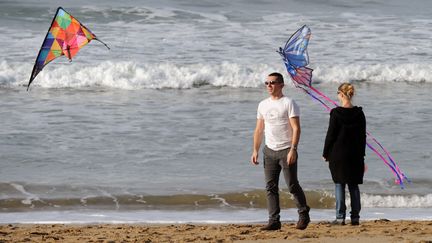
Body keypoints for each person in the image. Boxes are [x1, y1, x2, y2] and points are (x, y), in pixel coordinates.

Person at [251, 72, 310, 231]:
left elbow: (296, 128)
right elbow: (258, 130)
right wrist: (255, 150)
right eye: (267, 83)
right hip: (269, 151)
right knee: (270, 187)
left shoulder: (289, 103)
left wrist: (293, 149)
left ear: (281, 85)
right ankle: (274, 221)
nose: (269, 86)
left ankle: (303, 213)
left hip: (286, 150)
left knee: (292, 185)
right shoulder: (262, 104)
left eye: (273, 82)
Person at [322, 83, 366, 226]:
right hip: (355, 154)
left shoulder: (335, 113)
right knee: (353, 185)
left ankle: (340, 217)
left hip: (338, 154)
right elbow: (362, 137)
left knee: (339, 184)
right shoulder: (359, 113)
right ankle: (355, 217)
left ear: (341, 94)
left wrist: (325, 152)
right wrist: (362, 156)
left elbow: (331, 135)